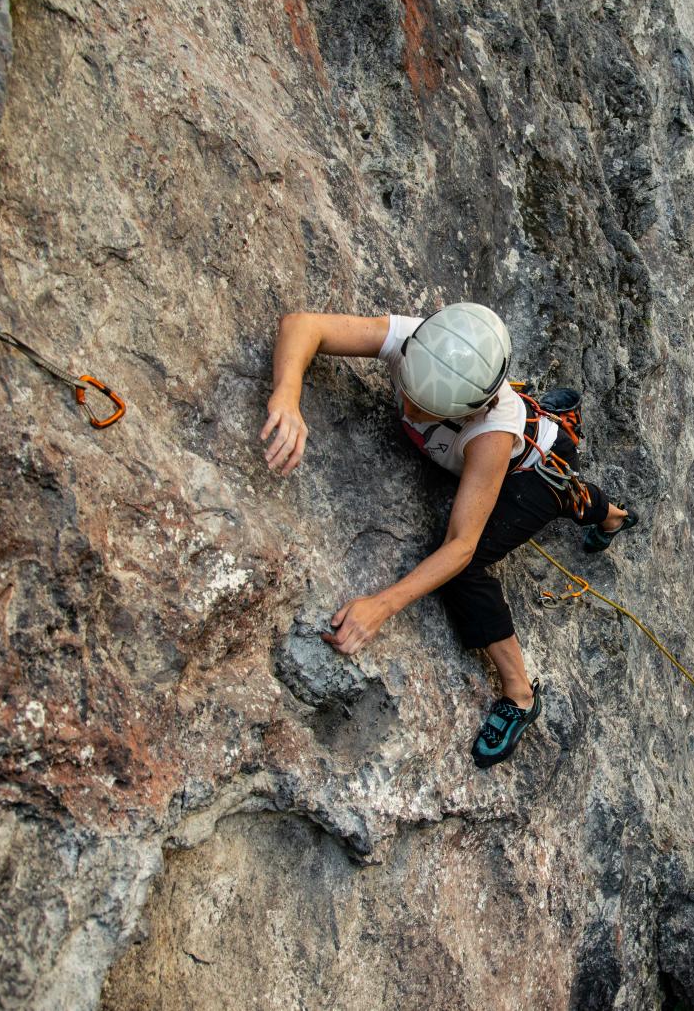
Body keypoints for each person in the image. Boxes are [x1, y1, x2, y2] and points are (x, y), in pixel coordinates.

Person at [261, 303, 635, 768]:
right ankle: (610, 513)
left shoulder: (490, 435)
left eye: (429, 408)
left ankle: (520, 696)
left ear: (474, 408)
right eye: (412, 394)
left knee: (468, 569)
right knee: (570, 491)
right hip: (534, 440)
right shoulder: (425, 344)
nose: (411, 407)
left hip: (530, 473)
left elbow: (461, 547)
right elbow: (304, 325)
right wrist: (286, 395)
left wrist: (382, 606)